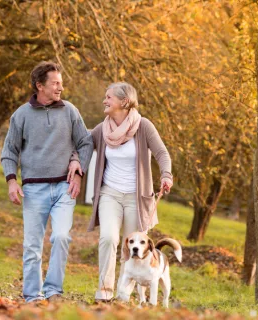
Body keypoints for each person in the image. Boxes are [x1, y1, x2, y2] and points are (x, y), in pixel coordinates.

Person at [1, 61, 93, 303]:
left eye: (61, 83)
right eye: (55, 83)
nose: (60, 87)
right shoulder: (20, 115)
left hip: (65, 186)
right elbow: (9, 151)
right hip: (33, 189)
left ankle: (53, 291)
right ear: (39, 85)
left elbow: (85, 142)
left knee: (62, 237)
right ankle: (32, 296)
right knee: (32, 245)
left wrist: (79, 169)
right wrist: (12, 181)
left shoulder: (70, 111)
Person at [79, 82, 173, 301]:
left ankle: (123, 294)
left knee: (130, 249)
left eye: (108, 97)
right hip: (109, 193)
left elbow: (162, 153)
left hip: (136, 198)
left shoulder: (144, 127)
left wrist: (166, 174)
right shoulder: (102, 130)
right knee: (108, 238)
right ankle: (105, 291)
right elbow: (83, 145)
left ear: (124, 101)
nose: (104, 100)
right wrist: (75, 163)